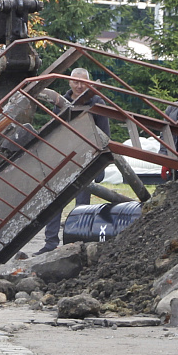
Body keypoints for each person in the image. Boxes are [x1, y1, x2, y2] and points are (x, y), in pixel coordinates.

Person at [36, 68, 111, 254]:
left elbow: (105, 134)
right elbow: (56, 131)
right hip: (65, 157)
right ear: (69, 83)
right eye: (75, 82)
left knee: (82, 204)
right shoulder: (61, 102)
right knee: (55, 202)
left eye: (82, 82)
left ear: (89, 83)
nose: (79, 85)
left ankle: (77, 241)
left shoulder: (97, 102)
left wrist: (101, 164)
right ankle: (50, 243)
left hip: (88, 159)